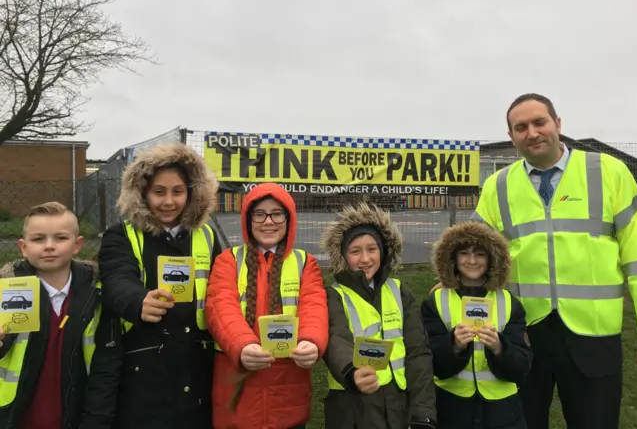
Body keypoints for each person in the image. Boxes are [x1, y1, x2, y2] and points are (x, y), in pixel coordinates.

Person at [473, 93, 637, 429]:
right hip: (523, 335)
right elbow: (475, 254)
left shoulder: (609, 171)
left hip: (594, 334)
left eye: (540, 122)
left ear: (557, 124)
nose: (532, 132)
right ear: (511, 137)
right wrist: (450, 283)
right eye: (521, 127)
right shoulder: (497, 186)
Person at [97, 142, 222, 429]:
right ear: (142, 193)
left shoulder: (207, 236)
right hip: (145, 364)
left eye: (177, 192)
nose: (168, 202)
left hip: (197, 362)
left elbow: (221, 289)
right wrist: (139, 301)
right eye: (158, 192)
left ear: (191, 193)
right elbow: (116, 278)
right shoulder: (121, 235)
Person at [206, 182, 328, 429]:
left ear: (289, 218)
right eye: (260, 214)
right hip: (237, 394)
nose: (268, 222)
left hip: (287, 392)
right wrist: (243, 346)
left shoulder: (306, 263)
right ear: (248, 220)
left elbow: (314, 307)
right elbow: (221, 308)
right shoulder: (227, 261)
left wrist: (311, 342)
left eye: (277, 214)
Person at [0, 202, 120, 428]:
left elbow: (107, 366)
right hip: (15, 418)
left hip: (77, 417)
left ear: (77, 245)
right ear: (23, 247)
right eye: (38, 239)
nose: (49, 246)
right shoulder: (5, 291)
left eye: (60, 238)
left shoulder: (98, 296)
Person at [321, 202, 437, 429]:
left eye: (371, 249)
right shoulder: (334, 295)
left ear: (383, 252)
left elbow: (418, 352)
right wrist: (351, 372)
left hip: (398, 404)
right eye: (355, 251)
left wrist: (423, 410)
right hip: (352, 406)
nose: (365, 259)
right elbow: (336, 339)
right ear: (343, 256)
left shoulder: (399, 291)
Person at [421, 221, 532, 429]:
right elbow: (431, 364)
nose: (472, 261)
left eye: (480, 254)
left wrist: (500, 347)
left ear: (492, 260)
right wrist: (454, 345)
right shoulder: (435, 302)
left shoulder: (509, 303)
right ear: (452, 258)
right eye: (464, 253)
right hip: (452, 411)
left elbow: (522, 367)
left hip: (503, 413)